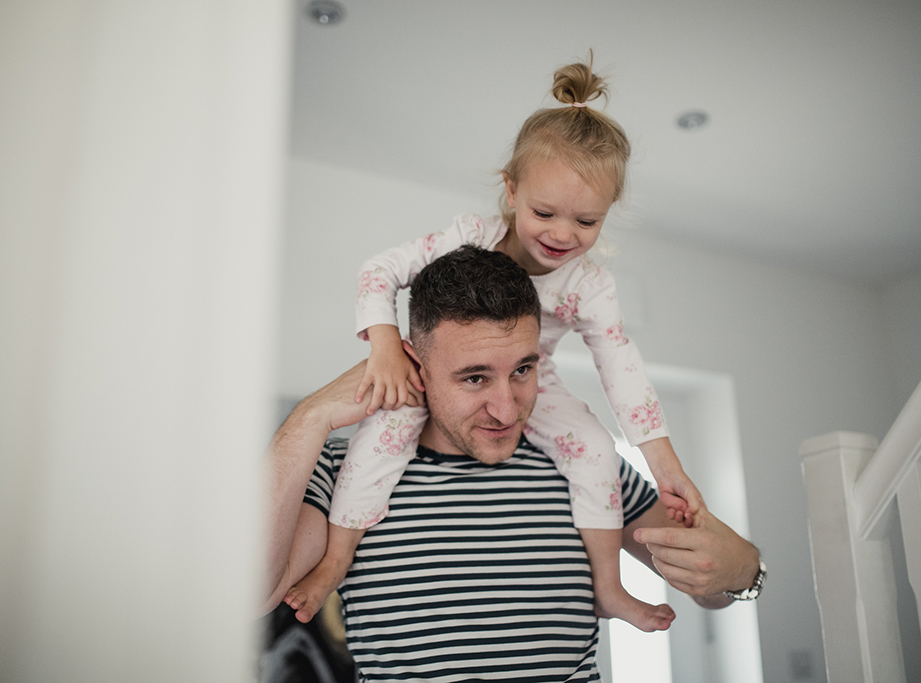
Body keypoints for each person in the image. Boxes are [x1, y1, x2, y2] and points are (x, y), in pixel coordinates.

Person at [284, 53, 707, 632]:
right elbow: (380, 270)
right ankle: (338, 559)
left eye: (587, 223)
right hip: (424, 365)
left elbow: (621, 368)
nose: (562, 235)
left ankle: (607, 585)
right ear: (510, 191)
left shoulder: (590, 284)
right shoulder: (467, 237)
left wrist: (665, 463)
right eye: (544, 212)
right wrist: (384, 341)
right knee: (380, 434)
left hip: (539, 373)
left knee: (593, 444)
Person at [264, 246, 764, 681]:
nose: (508, 410)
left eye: (523, 369)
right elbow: (251, 595)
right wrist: (310, 418)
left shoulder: (585, 467)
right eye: (475, 378)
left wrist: (742, 571)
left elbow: (707, 586)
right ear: (415, 363)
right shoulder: (345, 472)